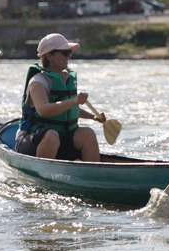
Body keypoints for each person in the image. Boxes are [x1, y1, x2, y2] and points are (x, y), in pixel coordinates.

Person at [15, 33, 105, 162]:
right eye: (65, 53)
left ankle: (93, 172)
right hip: (34, 139)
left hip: (61, 138)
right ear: (49, 56)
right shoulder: (38, 82)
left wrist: (93, 117)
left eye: (69, 52)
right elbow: (44, 110)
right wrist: (73, 101)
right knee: (51, 136)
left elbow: (68, 110)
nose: (69, 56)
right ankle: (43, 172)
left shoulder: (66, 78)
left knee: (87, 133)